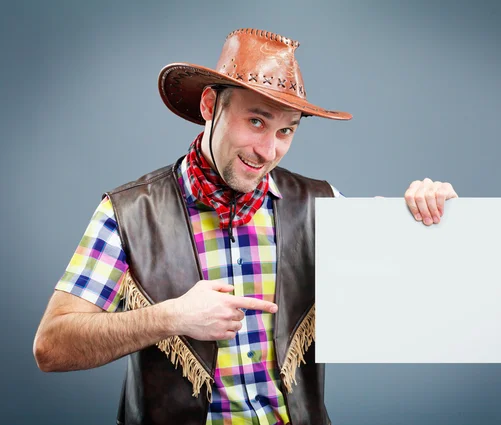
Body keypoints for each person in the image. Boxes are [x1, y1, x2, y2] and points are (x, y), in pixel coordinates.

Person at [33, 28, 458, 425]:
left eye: (286, 130)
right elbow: (52, 346)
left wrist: (429, 222)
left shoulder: (321, 206)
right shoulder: (128, 213)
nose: (268, 150)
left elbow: (419, 302)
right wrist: (170, 317)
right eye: (256, 121)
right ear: (209, 107)